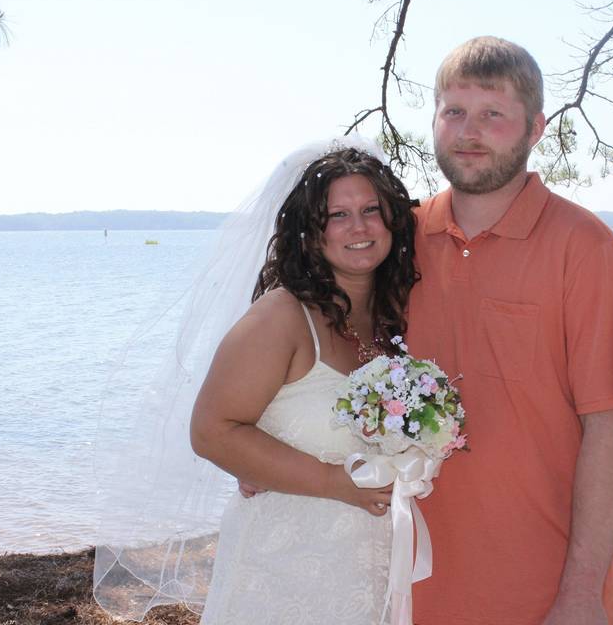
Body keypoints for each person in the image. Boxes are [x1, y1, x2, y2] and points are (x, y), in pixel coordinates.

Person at [92, 136, 419, 624]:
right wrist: (333, 481)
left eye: (372, 209)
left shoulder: (395, 317)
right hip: (281, 570)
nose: (359, 226)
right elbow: (211, 430)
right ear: (311, 231)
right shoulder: (281, 317)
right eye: (338, 215)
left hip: (370, 568)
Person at [405, 36, 613, 625]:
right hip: (403, 574)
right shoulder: (398, 241)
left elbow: (609, 428)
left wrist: (583, 592)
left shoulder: (587, 250)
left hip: (536, 584)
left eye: (494, 114)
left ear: (535, 128)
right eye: (454, 112)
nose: (469, 131)